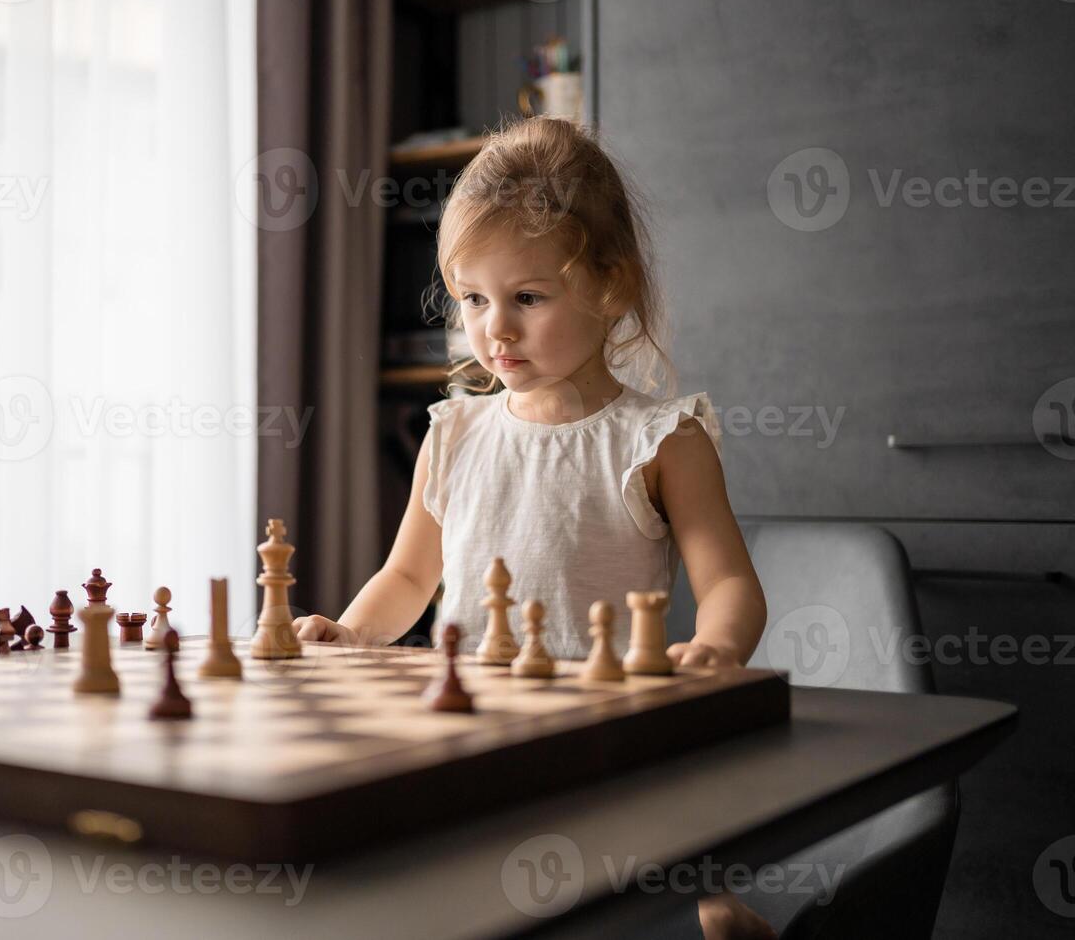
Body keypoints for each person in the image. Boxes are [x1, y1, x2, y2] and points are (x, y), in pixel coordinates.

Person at [293, 115, 772, 939]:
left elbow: (727, 580)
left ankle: (714, 905)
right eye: (474, 299)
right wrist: (352, 633)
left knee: (664, 882)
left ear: (612, 287)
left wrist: (718, 649)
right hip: (474, 723)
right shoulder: (454, 433)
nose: (495, 329)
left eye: (527, 298)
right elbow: (409, 577)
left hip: (605, 723)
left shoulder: (661, 438)